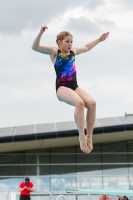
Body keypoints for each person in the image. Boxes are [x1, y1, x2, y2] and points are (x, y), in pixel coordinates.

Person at [32, 25, 109, 154]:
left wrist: (99, 39)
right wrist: (40, 32)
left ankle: (89, 135)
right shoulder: (55, 52)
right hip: (62, 87)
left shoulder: (73, 51)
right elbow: (35, 47)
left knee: (92, 103)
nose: (69, 44)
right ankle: (81, 136)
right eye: (67, 41)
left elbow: (86, 47)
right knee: (79, 103)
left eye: (71, 42)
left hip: (74, 85)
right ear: (59, 42)